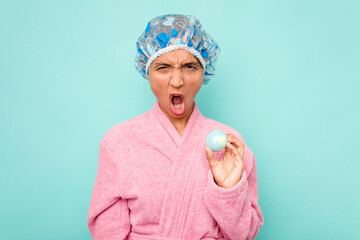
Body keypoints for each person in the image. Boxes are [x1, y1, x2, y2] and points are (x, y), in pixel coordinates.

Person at [87, 14, 264, 240]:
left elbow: (244, 234)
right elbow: (108, 234)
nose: (177, 81)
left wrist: (228, 190)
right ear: (147, 72)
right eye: (163, 67)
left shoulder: (230, 145)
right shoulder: (119, 142)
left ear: (204, 72)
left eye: (190, 66)